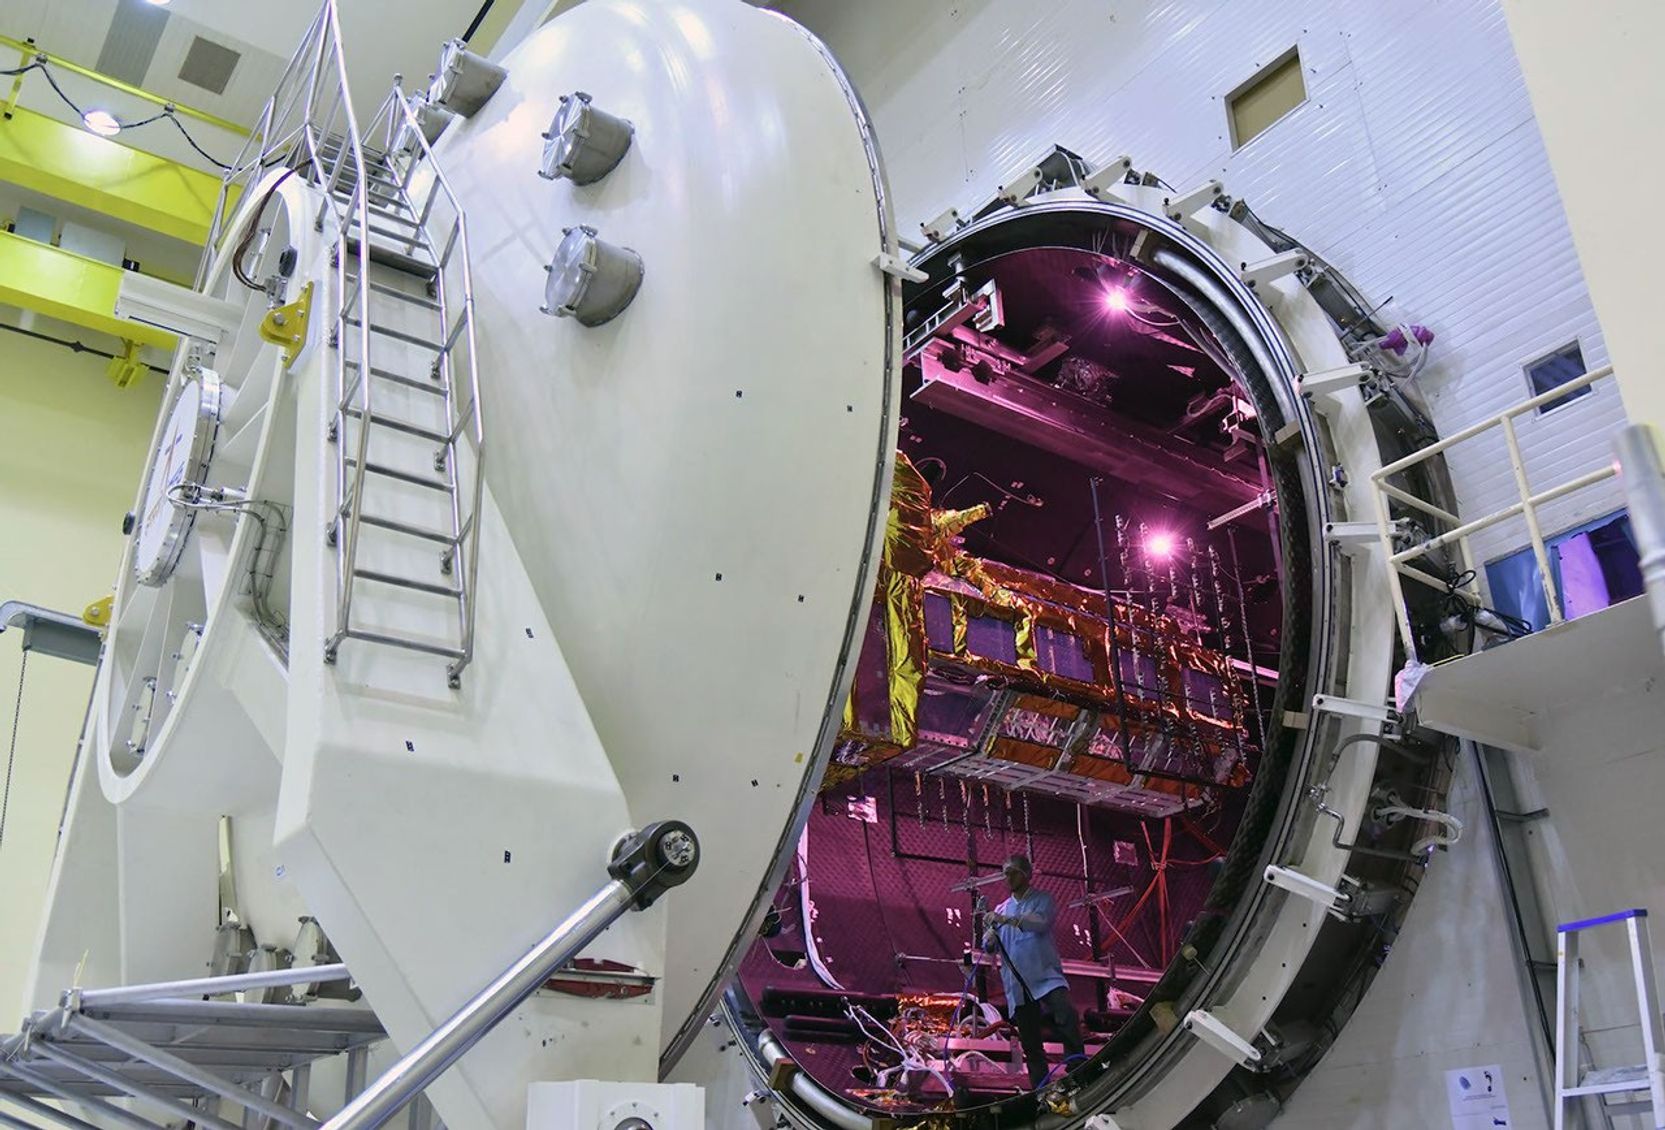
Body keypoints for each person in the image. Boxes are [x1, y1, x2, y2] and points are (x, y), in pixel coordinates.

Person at [982, 853, 1086, 1089]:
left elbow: (1039, 923)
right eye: (1004, 872)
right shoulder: (1002, 908)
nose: (1007, 877)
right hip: (1017, 985)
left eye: (1012, 871)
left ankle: (1078, 1071)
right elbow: (990, 944)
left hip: (1045, 977)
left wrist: (1006, 920)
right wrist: (989, 938)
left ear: (1026, 874)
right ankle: (1040, 1089)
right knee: (1030, 1041)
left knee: (1066, 1015)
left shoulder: (1042, 900)